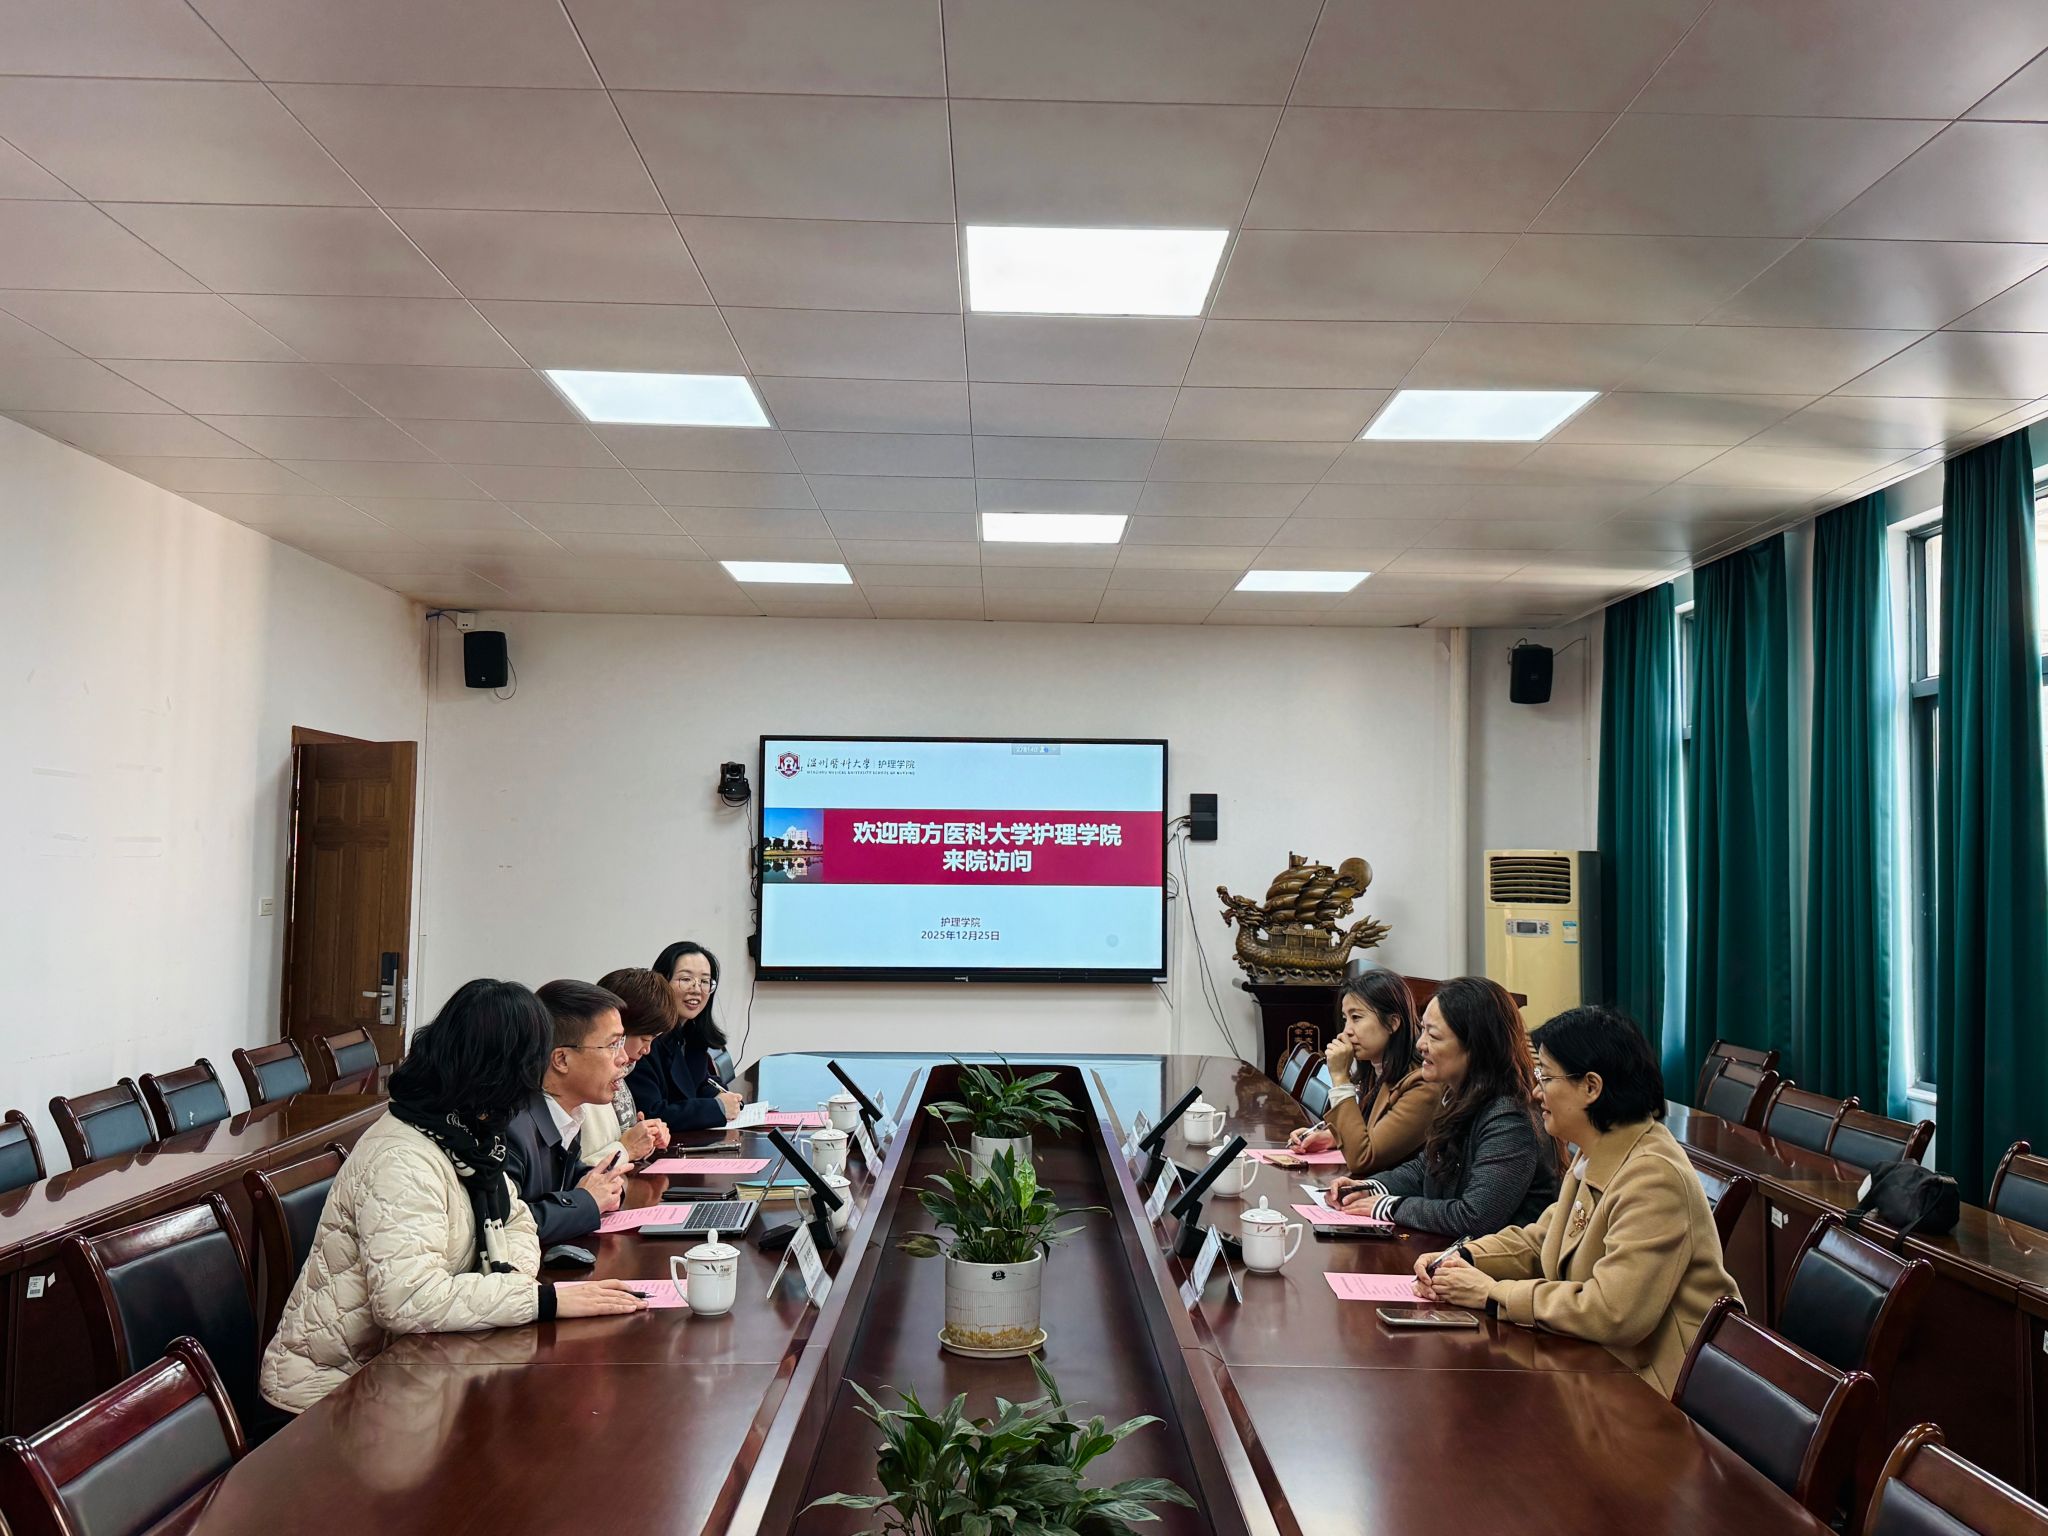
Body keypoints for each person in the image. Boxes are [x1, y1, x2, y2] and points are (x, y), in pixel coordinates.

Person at [259, 979, 643, 1414]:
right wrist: (540, 1300)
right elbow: (407, 1301)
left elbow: (516, 1220)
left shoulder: (468, 1135)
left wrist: (508, 1287)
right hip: (335, 1389)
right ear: (500, 1069)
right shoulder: (402, 1157)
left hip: (415, 1369)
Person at [1414, 1006, 1741, 1396]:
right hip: (1598, 1364)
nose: (1535, 1092)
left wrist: (1492, 1294)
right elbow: (1542, 1240)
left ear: (1591, 1087)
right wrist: (1463, 1258)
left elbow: (1613, 1312)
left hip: (1654, 1387)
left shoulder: (1653, 1177)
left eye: (1546, 1077)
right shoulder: (1598, 1149)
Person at [1332, 975, 1559, 1237]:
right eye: (1423, 1030)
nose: (1421, 1044)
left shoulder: (1508, 1118)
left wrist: (1388, 1206)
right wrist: (1372, 1187)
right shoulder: (1459, 1094)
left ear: (1475, 1046)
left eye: (1434, 1036)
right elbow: (1427, 1168)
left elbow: (1475, 1217)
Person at [504, 979, 634, 1247]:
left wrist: (606, 1187)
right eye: (612, 1045)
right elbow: (507, 1227)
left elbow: (574, 1178)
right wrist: (587, 1201)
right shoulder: (512, 1127)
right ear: (561, 1059)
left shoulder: (565, 1114)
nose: (623, 1057)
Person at [1285, 969, 1434, 1177]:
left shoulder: (1423, 1083)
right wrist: (1331, 1138)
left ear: (1393, 1023)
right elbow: (1373, 1131)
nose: (1347, 1030)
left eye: (1356, 1017)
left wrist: (1340, 1078)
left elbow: (1363, 1159)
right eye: (1345, 1018)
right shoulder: (1377, 1067)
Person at [628, 941, 745, 1131]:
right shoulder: (643, 1041)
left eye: (705, 981)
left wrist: (720, 1096)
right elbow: (651, 1112)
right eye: (686, 979)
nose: (696, 989)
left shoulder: (690, 1034)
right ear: (662, 982)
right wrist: (717, 1108)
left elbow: (699, 1084)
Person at [582, 967, 678, 1165]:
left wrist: (641, 1137)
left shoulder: (621, 1073)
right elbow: (574, 1175)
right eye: (644, 1038)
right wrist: (627, 1148)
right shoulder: (585, 1086)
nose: (647, 1050)